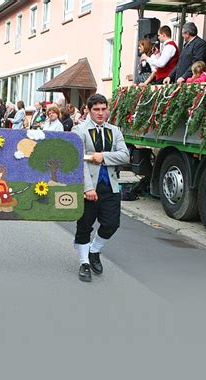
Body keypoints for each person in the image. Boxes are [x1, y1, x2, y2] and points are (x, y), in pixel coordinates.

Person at [71, 94, 129, 282]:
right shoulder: (79, 131)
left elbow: (124, 156)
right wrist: (87, 188)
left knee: (112, 223)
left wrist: (103, 156)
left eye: (104, 109)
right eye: (96, 109)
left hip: (110, 185)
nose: (101, 113)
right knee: (85, 226)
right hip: (89, 187)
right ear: (88, 110)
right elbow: (77, 162)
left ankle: (94, 250)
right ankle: (84, 263)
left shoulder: (115, 131)